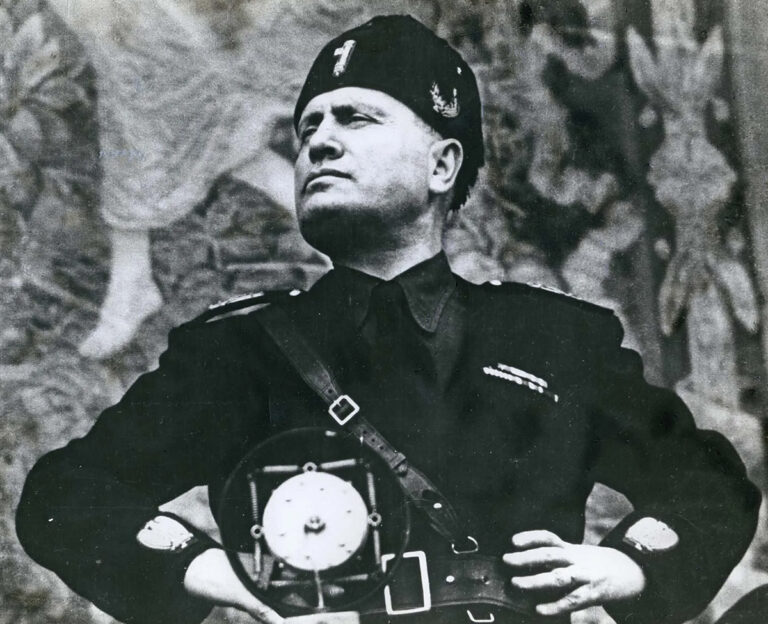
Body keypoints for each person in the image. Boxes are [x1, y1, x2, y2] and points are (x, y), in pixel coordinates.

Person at [17, 14, 759, 624]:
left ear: (441, 166)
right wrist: (212, 569)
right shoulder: (237, 352)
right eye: (307, 129)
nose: (319, 142)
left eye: (356, 118)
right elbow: (64, 495)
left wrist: (628, 562)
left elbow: (710, 482)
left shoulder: (552, 340)